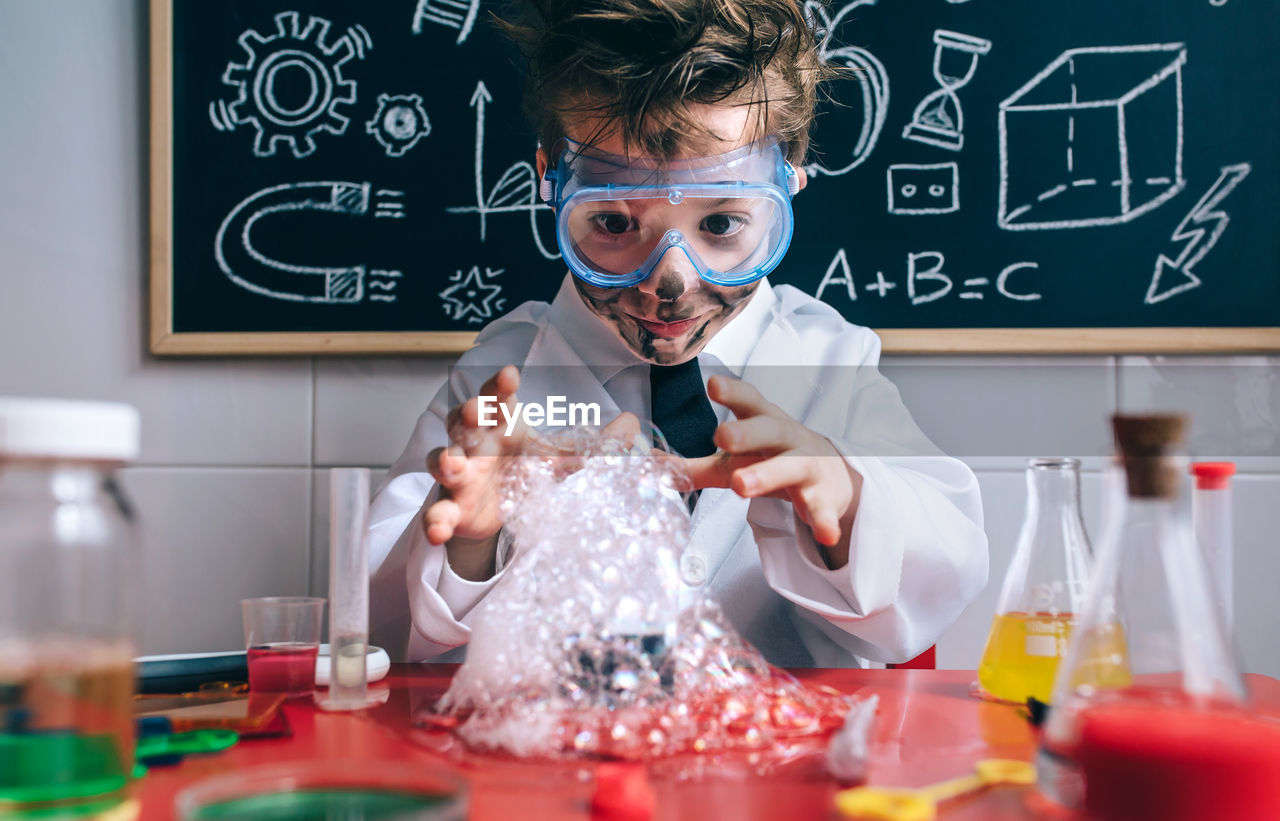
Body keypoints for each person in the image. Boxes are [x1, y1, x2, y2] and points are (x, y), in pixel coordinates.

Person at [368, 0, 988, 667]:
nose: (669, 280)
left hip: (781, 758)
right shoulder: (502, 378)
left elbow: (947, 563)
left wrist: (843, 500)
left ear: (789, 184)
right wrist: (471, 541)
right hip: (557, 761)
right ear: (551, 181)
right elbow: (377, 623)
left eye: (720, 226)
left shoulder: (827, 358)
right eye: (611, 224)